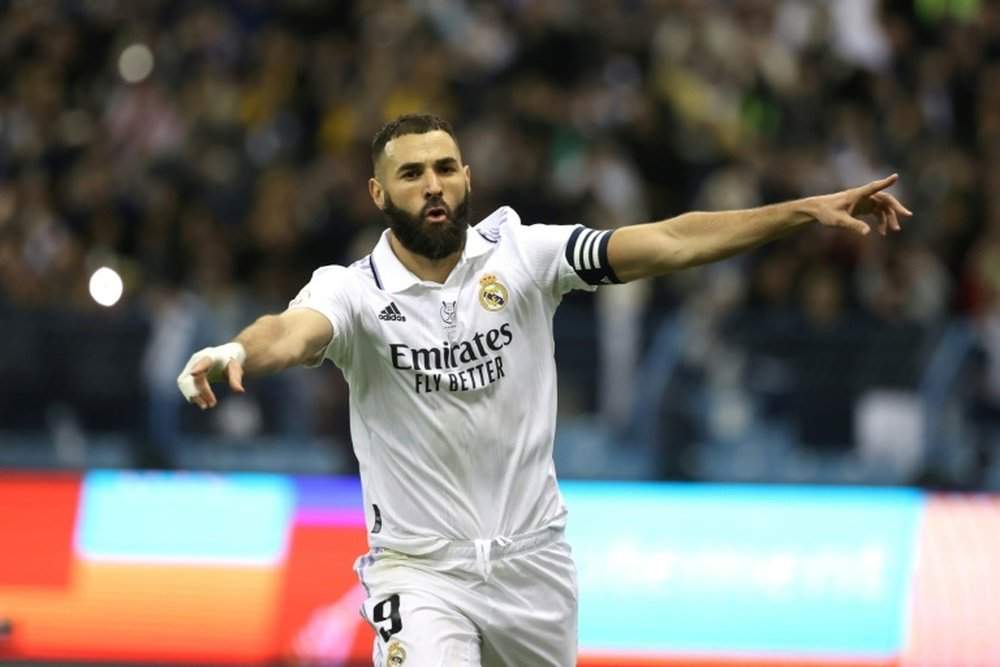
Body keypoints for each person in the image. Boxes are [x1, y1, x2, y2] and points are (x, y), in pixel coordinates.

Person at [176, 113, 911, 666]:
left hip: (535, 566)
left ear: (468, 178)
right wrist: (239, 349)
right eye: (412, 173)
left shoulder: (525, 255)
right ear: (378, 192)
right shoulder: (354, 291)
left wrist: (798, 212)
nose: (432, 184)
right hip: (420, 571)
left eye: (445, 168)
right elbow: (290, 331)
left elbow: (669, 240)